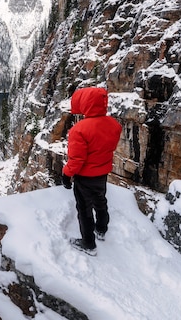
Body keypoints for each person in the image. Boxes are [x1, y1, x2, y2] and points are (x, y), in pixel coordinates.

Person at [61, 87, 122, 256]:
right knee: (100, 201)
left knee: (84, 209)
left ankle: (88, 244)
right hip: (102, 174)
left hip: (85, 177)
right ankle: (101, 230)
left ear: (86, 103)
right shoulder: (114, 125)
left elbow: (76, 160)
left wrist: (67, 174)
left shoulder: (79, 130)